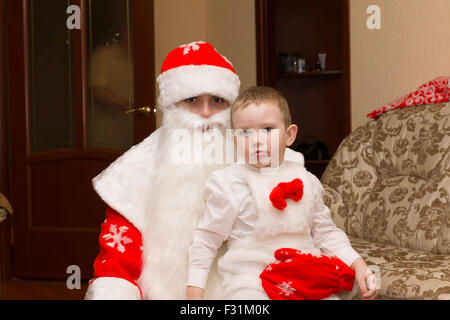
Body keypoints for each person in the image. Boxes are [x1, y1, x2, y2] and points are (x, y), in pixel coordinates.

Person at [85, 42, 304, 300]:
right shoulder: (136, 168)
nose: (206, 113)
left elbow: (293, 232)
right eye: (192, 100)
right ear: (172, 105)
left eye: (217, 100)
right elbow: (118, 255)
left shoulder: (267, 158)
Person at [186, 86, 378, 300]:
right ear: (235, 141)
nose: (257, 140)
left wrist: (358, 263)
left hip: (303, 275)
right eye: (245, 132)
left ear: (289, 135)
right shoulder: (229, 184)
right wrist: (195, 290)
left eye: (267, 129)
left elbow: (325, 232)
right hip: (251, 281)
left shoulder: (307, 180)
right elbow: (207, 239)